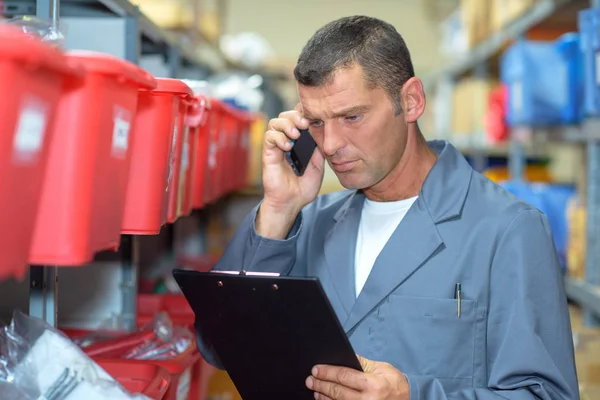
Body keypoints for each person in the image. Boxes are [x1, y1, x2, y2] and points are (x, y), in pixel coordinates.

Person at [197, 15, 580, 399]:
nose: (329, 144)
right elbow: (217, 346)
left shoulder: (507, 229)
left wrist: (413, 396)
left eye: (352, 117)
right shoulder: (306, 223)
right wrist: (278, 210)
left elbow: (547, 394)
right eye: (315, 122)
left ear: (410, 100)